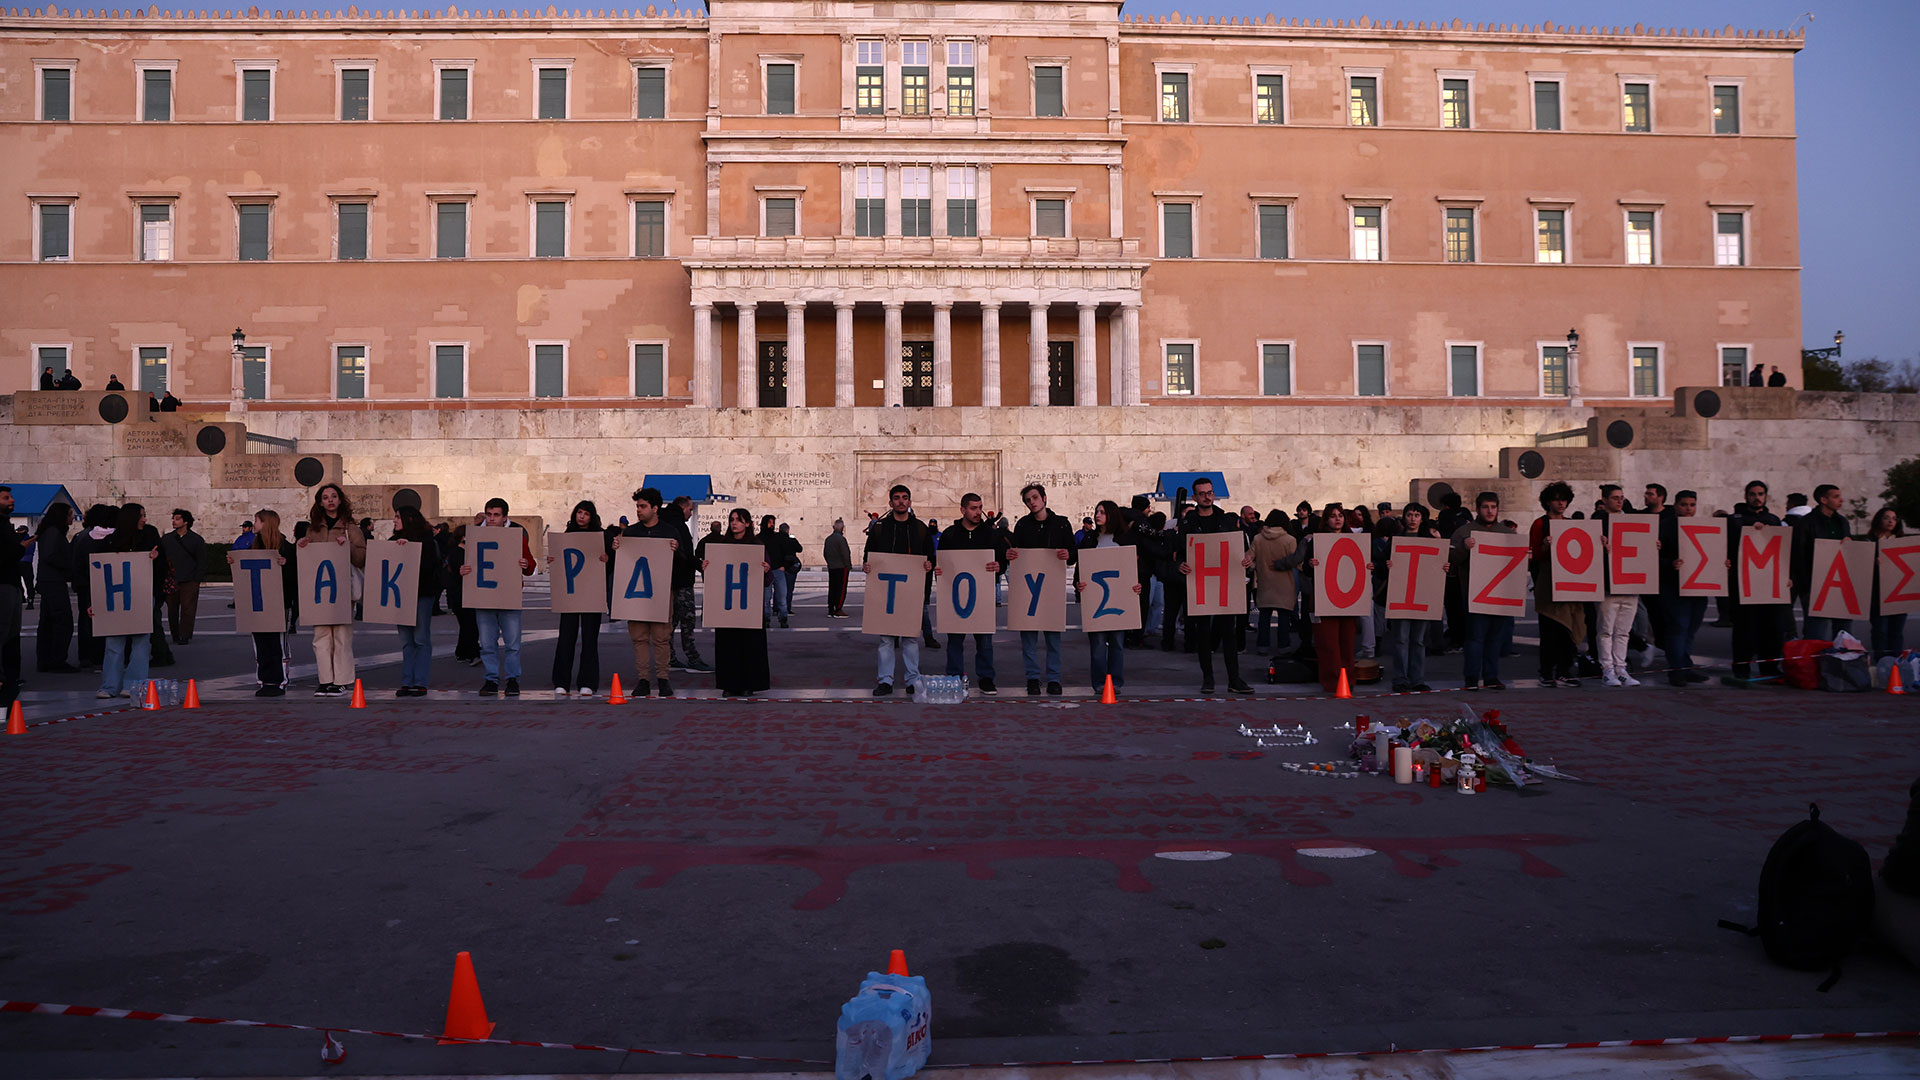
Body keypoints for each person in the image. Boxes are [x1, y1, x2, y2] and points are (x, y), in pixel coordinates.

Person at [1176, 476, 1254, 694]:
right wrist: (1179, 565)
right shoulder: (1188, 523)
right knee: (1203, 634)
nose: (1207, 497)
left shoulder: (1226, 520)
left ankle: (1234, 679)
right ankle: (1208, 678)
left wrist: (1246, 560)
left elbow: (1237, 548)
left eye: (1210, 493)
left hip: (1224, 582)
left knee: (1229, 632)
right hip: (1199, 583)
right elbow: (1178, 553)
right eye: (1202, 494)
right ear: (1194, 497)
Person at [612, 487, 688, 697]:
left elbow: (683, 563)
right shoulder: (631, 532)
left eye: (643, 506)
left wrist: (676, 550)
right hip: (636, 594)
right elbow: (621, 564)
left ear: (655, 508)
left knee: (662, 638)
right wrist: (617, 547)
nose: (639, 510)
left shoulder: (669, 531)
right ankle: (643, 678)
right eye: (637, 506)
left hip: (661, 593)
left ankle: (663, 679)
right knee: (639, 637)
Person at [296, 483, 367, 697]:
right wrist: (301, 546)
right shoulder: (313, 529)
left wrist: (348, 546)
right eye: (326, 497)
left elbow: (362, 557)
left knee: (342, 636)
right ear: (320, 502)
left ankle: (342, 680)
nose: (330, 500)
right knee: (321, 636)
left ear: (340, 500)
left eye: (334, 496)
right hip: (320, 591)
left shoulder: (351, 528)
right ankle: (325, 679)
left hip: (342, 588)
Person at [460, 498, 535, 696]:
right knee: (487, 642)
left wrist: (525, 564)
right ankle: (491, 679)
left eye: (496, 515)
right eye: (489, 514)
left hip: (508, 596)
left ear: (505, 517)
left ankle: (512, 679)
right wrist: (463, 569)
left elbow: (531, 566)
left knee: (513, 643)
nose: (492, 518)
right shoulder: (474, 535)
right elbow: (462, 561)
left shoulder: (516, 537)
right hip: (483, 595)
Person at [864, 484, 933, 696]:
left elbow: (930, 556)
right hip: (886, 590)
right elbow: (869, 555)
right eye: (897, 498)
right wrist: (867, 565)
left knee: (911, 637)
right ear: (890, 502)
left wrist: (929, 564)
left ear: (910, 502)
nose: (901, 501)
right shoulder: (880, 528)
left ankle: (912, 679)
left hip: (911, 590)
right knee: (886, 638)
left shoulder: (920, 528)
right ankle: (885, 680)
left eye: (904, 498)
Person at [937, 492, 1009, 694]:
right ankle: (954, 676)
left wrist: (999, 566)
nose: (978, 512)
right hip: (955, 597)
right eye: (973, 508)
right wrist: (939, 572)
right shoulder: (950, 534)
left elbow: (1002, 560)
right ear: (963, 510)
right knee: (954, 641)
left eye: (980, 508)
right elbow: (941, 563)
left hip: (983, 596)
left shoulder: (991, 534)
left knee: (985, 641)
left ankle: (986, 678)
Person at [1009, 482, 1076, 696]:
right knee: (1028, 636)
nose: (1032, 502)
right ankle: (1033, 678)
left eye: (1035, 498)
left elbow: (1074, 554)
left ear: (1044, 498)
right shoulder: (1022, 526)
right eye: (1028, 500)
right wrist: (1010, 555)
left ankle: (1054, 678)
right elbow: (1015, 552)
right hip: (1028, 586)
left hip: (1051, 586)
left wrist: (1067, 554)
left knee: (1053, 637)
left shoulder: (1062, 524)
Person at [1449, 490, 1517, 691]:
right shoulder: (1464, 532)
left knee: (1495, 639)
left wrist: (1524, 557)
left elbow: (1516, 567)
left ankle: (1491, 677)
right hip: (1474, 594)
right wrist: (1464, 547)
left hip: (1500, 595)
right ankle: (1471, 678)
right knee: (1475, 638)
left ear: (1498, 509)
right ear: (1478, 509)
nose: (1490, 511)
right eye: (1486, 507)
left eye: (1493, 507)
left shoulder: (1507, 534)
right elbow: (1451, 560)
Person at [89, 504, 158, 699]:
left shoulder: (150, 536)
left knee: (141, 642)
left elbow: (162, 567)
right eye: (141, 516)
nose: (145, 519)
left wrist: (155, 558)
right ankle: (110, 685)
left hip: (142, 594)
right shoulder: (109, 541)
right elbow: (97, 572)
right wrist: (93, 600)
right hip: (116, 598)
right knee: (114, 641)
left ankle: (134, 684)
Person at [1075, 500, 1143, 695]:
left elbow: (1134, 570)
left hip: (1119, 600)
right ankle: (1099, 682)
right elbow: (1082, 569)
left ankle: (1116, 681)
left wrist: (1137, 585)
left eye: (1102, 512)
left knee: (1117, 644)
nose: (1098, 515)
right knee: (1097, 645)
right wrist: (1079, 584)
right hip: (1096, 601)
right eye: (1097, 512)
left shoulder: (1124, 539)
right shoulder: (1089, 539)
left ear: (1111, 515)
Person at [1302, 505, 1369, 694]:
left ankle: (1348, 678)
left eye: (1340, 516)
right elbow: (1306, 570)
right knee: (1328, 643)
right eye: (1332, 516)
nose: (1337, 519)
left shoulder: (1355, 541)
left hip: (1348, 598)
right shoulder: (1316, 542)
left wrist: (1369, 565)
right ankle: (1332, 681)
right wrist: (1310, 564)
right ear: (1326, 520)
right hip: (1324, 597)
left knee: (1347, 642)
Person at [1726, 480, 1788, 686]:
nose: (1757, 497)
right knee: (1745, 629)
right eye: (1753, 494)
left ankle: (1768, 667)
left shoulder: (1774, 520)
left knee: (1771, 629)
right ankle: (1741, 668)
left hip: (1768, 583)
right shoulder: (1735, 520)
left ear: (1765, 496)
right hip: (1743, 584)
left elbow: (1781, 551)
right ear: (1746, 496)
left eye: (1760, 494)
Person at [705, 508, 772, 696]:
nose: (734, 523)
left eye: (739, 520)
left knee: (750, 645)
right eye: (732, 519)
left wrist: (766, 569)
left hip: (749, 605)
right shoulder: (721, 545)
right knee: (728, 645)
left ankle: (749, 683)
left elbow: (768, 580)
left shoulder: (757, 546)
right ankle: (730, 684)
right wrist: (707, 567)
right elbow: (714, 575)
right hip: (727, 605)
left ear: (748, 524)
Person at [548, 500, 610, 697]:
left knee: (590, 639)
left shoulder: (601, 537)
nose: (581, 516)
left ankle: (588, 682)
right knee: (566, 638)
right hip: (571, 594)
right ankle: (561, 681)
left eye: (586, 513)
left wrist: (605, 560)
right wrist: (553, 559)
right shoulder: (568, 536)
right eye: (579, 512)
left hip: (591, 593)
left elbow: (611, 563)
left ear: (592, 517)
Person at [1528, 483, 1586, 688]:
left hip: (1570, 584)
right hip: (1548, 583)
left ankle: (1564, 670)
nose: (1561, 503)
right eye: (1556, 499)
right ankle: (1546, 672)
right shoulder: (1540, 524)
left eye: (1564, 499)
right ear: (1548, 502)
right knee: (1550, 630)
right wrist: (1545, 546)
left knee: (1568, 630)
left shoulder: (1571, 524)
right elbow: (1534, 555)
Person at [387, 504, 443, 697]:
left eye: (397, 516)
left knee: (420, 638)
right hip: (400, 596)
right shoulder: (392, 540)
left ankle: (420, 682)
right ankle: (406, 682)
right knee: (406, 640)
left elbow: (429, 566)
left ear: (409, 519)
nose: (394, 520)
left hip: (421, 595)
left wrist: (409, 548)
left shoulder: (427, 540)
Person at [242, 509, 299, 697]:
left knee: (277, 643)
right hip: (259, 601)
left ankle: (279, 680)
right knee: (260, 641)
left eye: (257, 520)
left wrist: (286, 565)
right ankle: (264, 679)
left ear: (266, 523)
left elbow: (295, 576)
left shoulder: (285, 547)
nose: (254, 524)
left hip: (279, 602)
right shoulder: (255, 545)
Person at [1658, 489, 1711, 685]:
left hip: (1698, 585)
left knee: (1690, 629)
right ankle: (1676, 670)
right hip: (1673, 586)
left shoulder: (1703, 526)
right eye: (1684, 505)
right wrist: (1670, 564)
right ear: (1675, 506)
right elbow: (1653, 556)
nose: (1689, 509)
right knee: (1678, 628)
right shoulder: (1665, 526)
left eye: (1692, 505)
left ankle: (1685, 666)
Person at [1592, 484, 1642, 687]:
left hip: (1630, 582)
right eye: (1615, 497)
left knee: (1623, 630)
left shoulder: (1631, 519)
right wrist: (1600, 545)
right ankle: (1607, 669)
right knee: (1606, 629)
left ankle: (1621, 668)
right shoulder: (1598, 520)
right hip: (1608, 583)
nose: (1619, 500)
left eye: (1621, 497)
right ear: (1604, 500)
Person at [1793, 483, 1854, 641]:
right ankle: (1815, 664)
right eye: (1836, 497)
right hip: (1816, 584)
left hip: (1840, 582)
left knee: (1843, 632)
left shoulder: (1842, 522)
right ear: (1823, 500)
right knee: (1816, 632)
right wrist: (1805, 584)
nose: (1841, 500)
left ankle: (1840, 663)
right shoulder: (1806, 523)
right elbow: (1799, 553)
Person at [663, 495, 709, 673]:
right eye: (690, 509)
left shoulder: (664, 522)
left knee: (670, 621)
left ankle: (670, 657)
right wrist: (699, 564)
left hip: (667, 581)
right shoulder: (679, 526)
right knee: (687, 621)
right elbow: (685, 554)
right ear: (683, 507)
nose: (690, 514)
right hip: (681, 581)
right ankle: (692, 657)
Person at [34, 502, 78, 673]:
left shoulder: (49, 531)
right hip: (53, 581)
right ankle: (57, 659)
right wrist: (68, 569)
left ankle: (46, 659)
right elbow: (51, 555)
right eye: (69, 514)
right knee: (62, 621)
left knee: (48, 622)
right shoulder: (54, 533)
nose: (72, 517)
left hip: (48, 581)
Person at [1250, 509, 1299, 653]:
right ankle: (1283, 645)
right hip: (1285, 584)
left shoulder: (1258, 539)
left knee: (1264, 616)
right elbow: (1296, 562)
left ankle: (1262, 645)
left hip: (1265, 582)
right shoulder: (1290, 540)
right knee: (1284, 617)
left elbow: (1249, 557)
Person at [158, 508, 205, 645]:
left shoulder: (196, 540)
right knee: (172, 609)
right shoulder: (166, 539)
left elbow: (201, 560)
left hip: (190, 580)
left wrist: (197, 578)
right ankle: (175, 634)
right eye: (173, 518)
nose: (174, 521)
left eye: (177, 519)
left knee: (188, 609)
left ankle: (185, 635)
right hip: (171, 579)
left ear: (186, 522)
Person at [1867, 506, 1908, 661]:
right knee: (1880, 631)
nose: (1891, 521)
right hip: (1878, 595)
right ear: (1879, 520)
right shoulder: (1869, 542)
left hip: (1899, 593)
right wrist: (1873, 562)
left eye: (1894, 518)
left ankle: (1895, 664)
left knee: (1896, 632)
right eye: (1886, 517)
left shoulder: (1902, 542)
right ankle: (1881, 663)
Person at [442, 523, 481, 667]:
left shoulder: (467, 551)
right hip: (459, 593)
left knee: (468, 624)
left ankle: (462, 652)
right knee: (469, 624)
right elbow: (455, 573)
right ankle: (471, 652)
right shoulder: (456, 552)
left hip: (467, 593)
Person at [0, 488, 22, 700]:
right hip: (4, 583)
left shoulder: (6, 524)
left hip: (12, 583)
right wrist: (20, 547)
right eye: (6, 498)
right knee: (4, 632)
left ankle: (10, 679)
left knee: (12, 634)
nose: (12, 501)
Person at [823, 518, 853, 618]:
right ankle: (838, 609)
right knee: (841, 589)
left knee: (832, 588)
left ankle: (831, 609)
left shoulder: (828, 539)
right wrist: (848, 566)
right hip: (841, 567)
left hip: (832, 567)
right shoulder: (841, 539)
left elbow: (825, 553)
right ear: (842, 528)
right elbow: (846, 554)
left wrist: (829, 563)